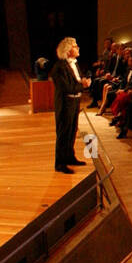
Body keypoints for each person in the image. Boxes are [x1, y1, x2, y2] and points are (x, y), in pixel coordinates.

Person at [50, 37, 88, 173]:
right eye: (75, 46)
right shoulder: (58, 68)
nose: (78, 48)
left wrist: (82, 82)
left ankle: (69, 157)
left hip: (75, 101)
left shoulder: (75, 64)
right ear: (67, 50)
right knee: (63, 133)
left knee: (72, 130)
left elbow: (76, 80)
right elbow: (67, 87)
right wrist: (82, 85)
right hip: (65, 104)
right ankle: (60, 164)